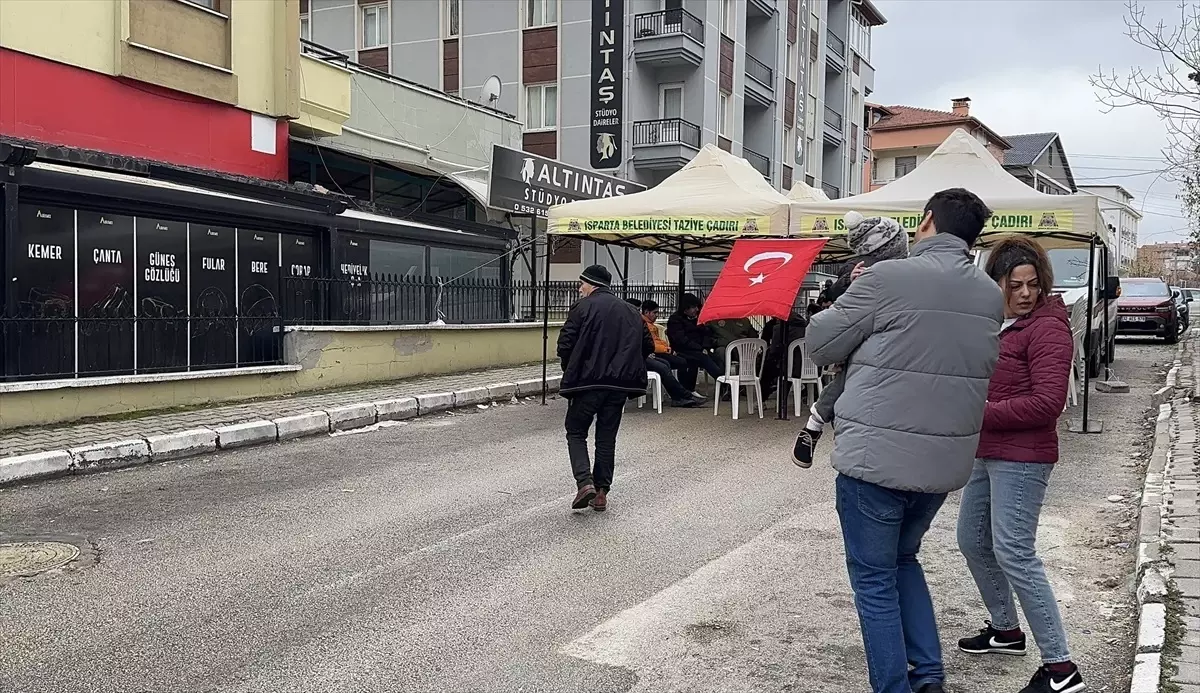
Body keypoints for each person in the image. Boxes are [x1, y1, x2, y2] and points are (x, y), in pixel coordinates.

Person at [805, 188, 1005, 693]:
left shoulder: (888, 278)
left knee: (873, 581)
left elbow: (819, 343)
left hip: (876, 461)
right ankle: (929, 677)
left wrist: (849, 296)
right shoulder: (987, 294)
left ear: (926, 220)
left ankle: (894, 686)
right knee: (903, 560)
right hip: (942, 467)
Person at [955, 238, 1083, 693]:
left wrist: (979, 409)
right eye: (1015, 285)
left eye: (1032, 284)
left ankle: (1061, 668)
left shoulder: (1048, 328)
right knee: (972, 540)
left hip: (1023, 459)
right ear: (997, 285)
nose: (1026, 293)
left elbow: (1047, 403)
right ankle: (1006, 631)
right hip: (988, 452)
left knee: (1015, 552)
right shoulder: (1004, 323)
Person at [792, 212, 909, 467]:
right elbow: (836, 318)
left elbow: (822, 337)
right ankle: (815, 425)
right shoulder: (865, 277)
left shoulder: (903, 278)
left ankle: (813, 424)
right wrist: (853, 284)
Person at [557, 264, 654, 512]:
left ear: (593, 284)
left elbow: (565, 344)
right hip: (619, 386)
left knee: (576, 431)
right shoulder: (632, 311)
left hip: (587, 383)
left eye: (582, 284)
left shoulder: (582, 307)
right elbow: (647, 345)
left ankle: (584, 483)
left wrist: (572, 369)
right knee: (606, 437)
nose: (580, 289)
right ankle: (601, 493)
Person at [640, 300, 705, 407]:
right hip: (644, 356)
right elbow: (650, 344)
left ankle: (680, 395)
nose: (657, 315)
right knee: (666, 366)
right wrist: (666, 349)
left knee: (673, 363)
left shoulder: (647, 325)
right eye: (655, 313)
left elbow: (654, 342)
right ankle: (685, 395)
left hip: (649, 354)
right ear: (647, 312)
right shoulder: (642, 324)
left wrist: (665, 347)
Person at [665, 293, 724, 393]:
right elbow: (681, 340)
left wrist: (705, 347)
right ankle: (723, 382)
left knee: (716, 357)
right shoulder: (675, 320)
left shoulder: (697, 319)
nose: (696, 309)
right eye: (693, 307)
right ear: (685, 309)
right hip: (682, 350)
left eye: (697, 307)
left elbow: (706, 333)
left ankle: (722, 384)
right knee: (701, 359)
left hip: (700, 348)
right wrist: (700, 348)